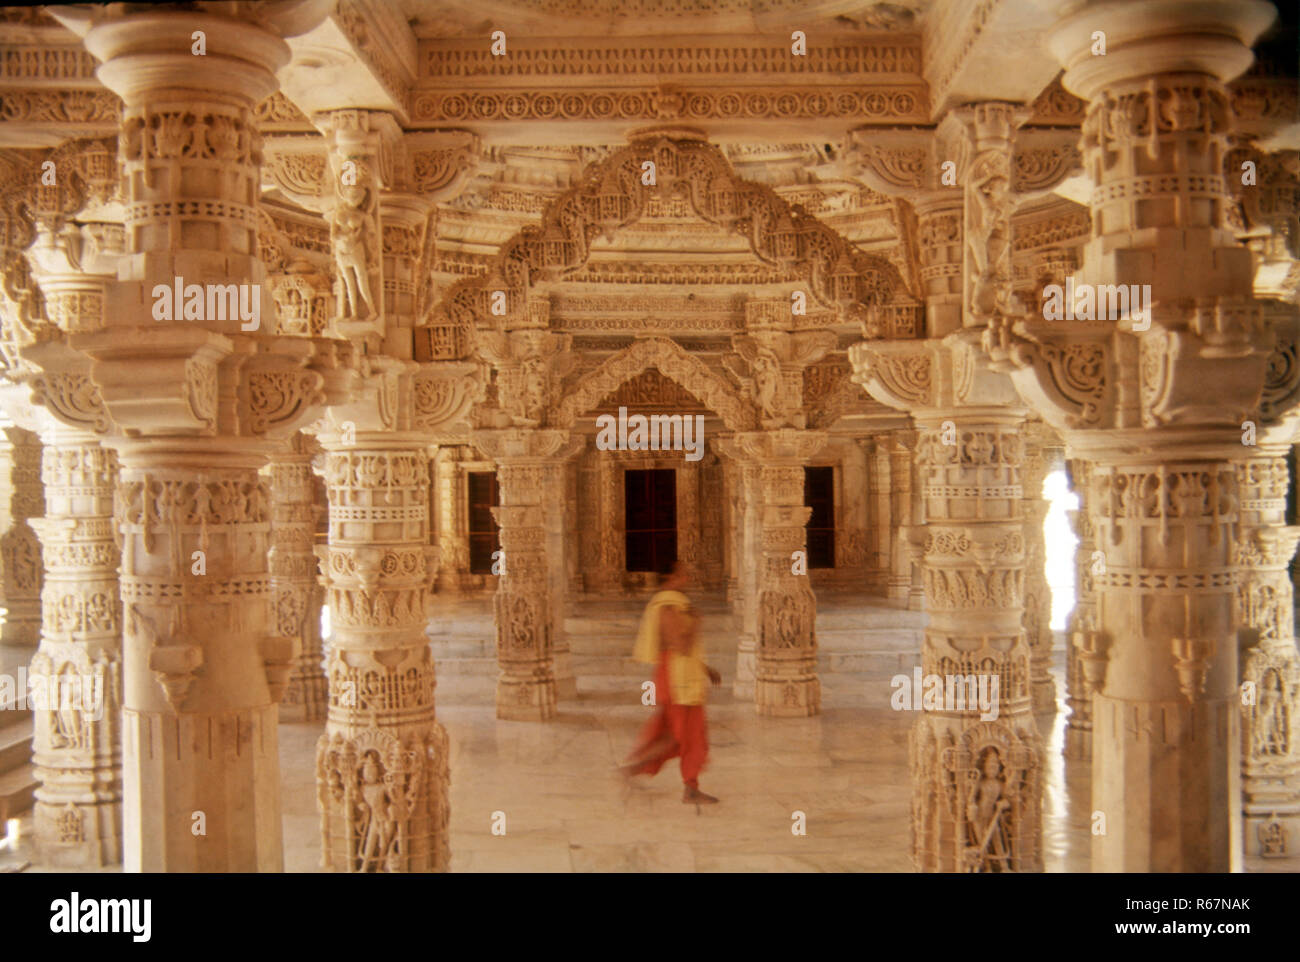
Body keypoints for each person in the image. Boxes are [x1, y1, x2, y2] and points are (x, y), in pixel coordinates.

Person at [620, 560, 722, 804]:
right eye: (684, 573)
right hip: (677, 680)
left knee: (683, 733)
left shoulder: (676, 604)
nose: (688, 577)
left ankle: (685, 784)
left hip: (680, 675)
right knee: (679, 736)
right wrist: (696, 621)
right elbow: (682, 646)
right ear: (672, 577)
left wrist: (706, 669)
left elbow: (684, 649)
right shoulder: (668, 607)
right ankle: (643, 771)